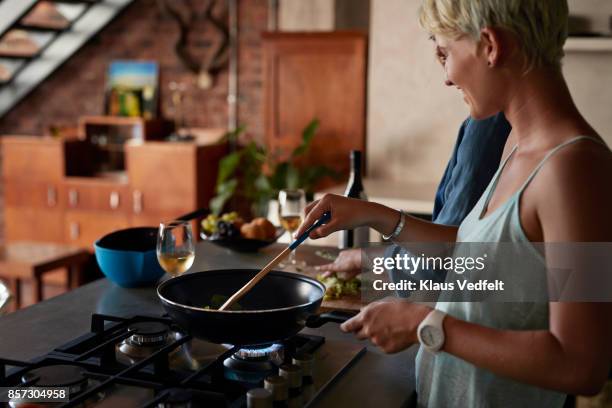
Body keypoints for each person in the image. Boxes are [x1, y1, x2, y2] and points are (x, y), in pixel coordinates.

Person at [296, 0, 612, 406]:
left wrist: (427, 324)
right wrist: (373, 215)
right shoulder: (517, 142)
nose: (445, 77)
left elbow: (582, 364)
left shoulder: (575, 169)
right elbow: (483, 259)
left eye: (445, 53)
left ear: (490, 45)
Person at [316, 113, 511, 280]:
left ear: (492, 65)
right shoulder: (511, 132)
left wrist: (367, 253)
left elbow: (448, 261)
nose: (447, 79)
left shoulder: (487, 123)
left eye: (446, 65)